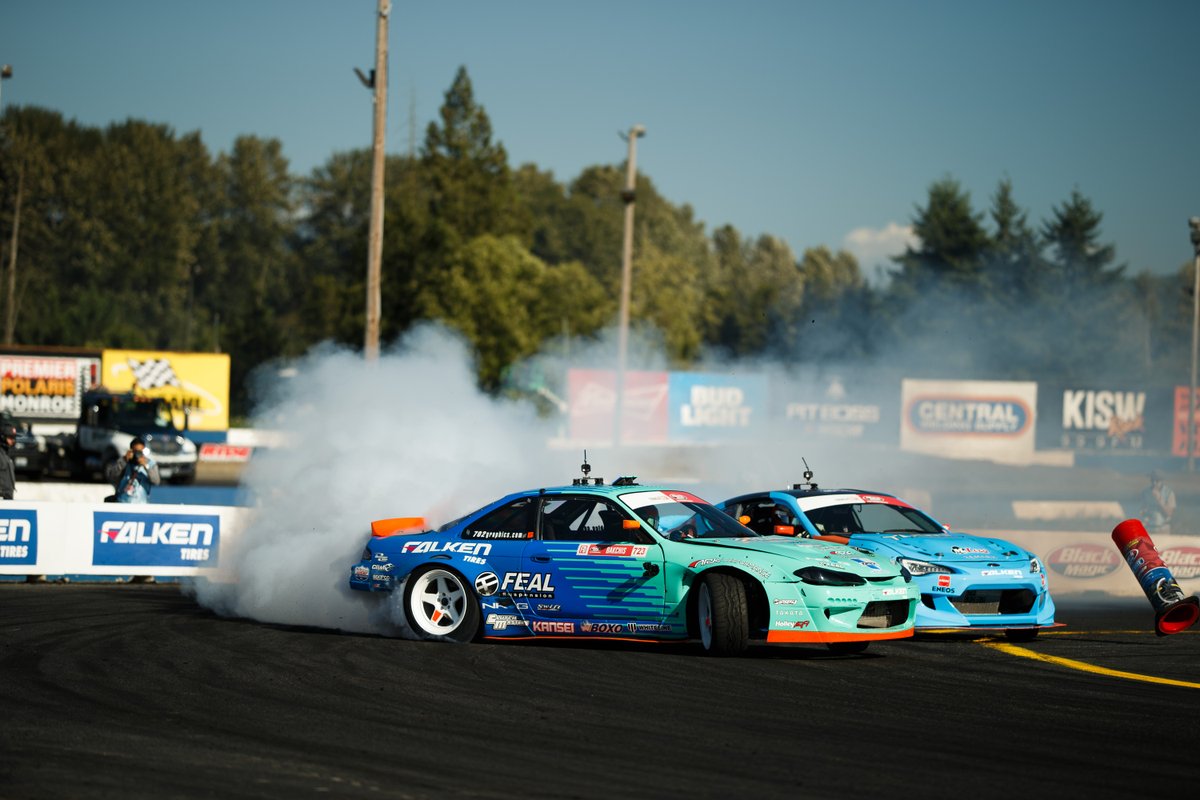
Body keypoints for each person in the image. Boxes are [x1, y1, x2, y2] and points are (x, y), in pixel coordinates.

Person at [105, 435, 161, 504]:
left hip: (141, 504)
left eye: (140, 452)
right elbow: (111, 476)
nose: (137, 454)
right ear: (131, 450)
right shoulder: (124, 462)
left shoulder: (150, 464)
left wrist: (146, 466)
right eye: (135, 451)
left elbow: (156, 481)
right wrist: (124, 460)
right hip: (122, 502)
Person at [1140, 470, 1176, 534]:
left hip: (1163, 528)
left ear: (1162, 481)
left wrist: (1159, 498)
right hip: (1149, 528)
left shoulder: (1169, 493)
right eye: (1152, 480)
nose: (1154, 483)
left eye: (1157, 481)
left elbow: (1169, 513)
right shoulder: (1145, 493)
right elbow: (1142, 511)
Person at [0, 422, 17, 500]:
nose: (13, 440)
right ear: (2, 437)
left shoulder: (6, 454)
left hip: (7, 499)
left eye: (14, 438)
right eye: (10, 437)